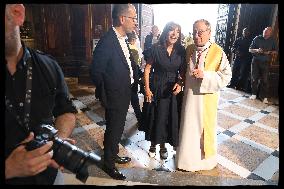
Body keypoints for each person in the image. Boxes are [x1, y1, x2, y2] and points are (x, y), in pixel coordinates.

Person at [5, 4, 77, 184]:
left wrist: (59, 140)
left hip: (51, 177)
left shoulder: (49, 66)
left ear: (17, 13)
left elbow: (66, 110)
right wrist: (8, 168)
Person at [176, 19, 232, 172]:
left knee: (203, 130)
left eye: (200, 32)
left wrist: (205, 76)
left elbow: (227, 76)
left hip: (206, 100)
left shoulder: (218, 52)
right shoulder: (189, 49)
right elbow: (182, 71)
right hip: (189, 98)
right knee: (188, 128)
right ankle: (185, 161)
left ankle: (203, 162)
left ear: (209, 32)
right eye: (194, 31)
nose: (196, 35)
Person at [90, 4, 138, 180]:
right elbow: (95, 71)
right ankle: (109, 164)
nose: (135, 22)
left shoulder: (122, 38)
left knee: (116, 128)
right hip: (115, 94)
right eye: (133, 18)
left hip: (124, 92)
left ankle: (113, 153)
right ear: (122, 19)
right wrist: (106, 93)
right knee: (114, 129)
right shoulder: (108, 41)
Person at [142, 21, 186, 160]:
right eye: (172, 30)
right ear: (166, 32)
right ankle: (154, 144)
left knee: (167, 118)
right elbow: (147, 69)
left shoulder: (181, 50)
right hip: (157, 86)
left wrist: (180, 82)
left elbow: (183, 71)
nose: (174, 34)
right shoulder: (156, 48)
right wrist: (147, 89)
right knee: (156, 116)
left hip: (172, 90)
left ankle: (163, 146)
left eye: (177, 31)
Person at [249, 26, 278, 104]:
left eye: (267, 32)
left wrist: (270, 52)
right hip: (255, 61)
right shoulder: (257, 38)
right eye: (264, 31)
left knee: (265, 80)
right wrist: (257, 50)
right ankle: (254, 94)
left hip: (266, 63)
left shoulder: (273, 41)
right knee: (254, 78)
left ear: (270, 33)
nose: (265, 33)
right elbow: (250, 49)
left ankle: (263, 97)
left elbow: (276, 52)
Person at [227, 27, 253, 92]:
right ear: (242, 32)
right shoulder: (238, 39)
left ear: (249, 33)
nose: (245, 33)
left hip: (246, 59)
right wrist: (235, 51)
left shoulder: (251, 41)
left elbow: (251, 50)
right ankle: (232, 84)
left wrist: (245, 54)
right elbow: (233, 48)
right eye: (244, 32)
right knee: (234, 71)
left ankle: (239, 86)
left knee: (242, 73)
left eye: (247, 32)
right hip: (238, 58)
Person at [127, 32, 143, 127]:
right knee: (135, 100)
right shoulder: (135, 50)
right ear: (133, 40)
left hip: (124, 78)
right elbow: (137, 64)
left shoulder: (124, 48)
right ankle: (140, 120)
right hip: (133, 76)